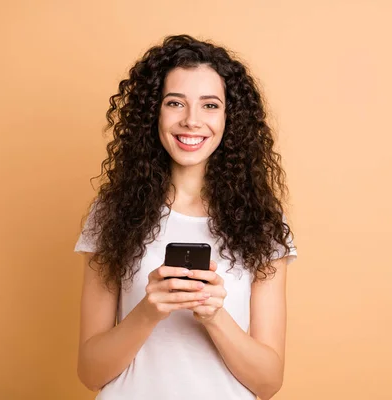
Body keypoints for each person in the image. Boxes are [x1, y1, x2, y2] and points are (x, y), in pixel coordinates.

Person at [74, 34, 298, 400]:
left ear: (231, 117)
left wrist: (214, 316)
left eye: (210, 106)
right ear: (154, 112)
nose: (192, 121)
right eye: (175, 103)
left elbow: (268, 382)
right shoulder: (112, 212)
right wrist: (149, 311)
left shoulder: (262, 221)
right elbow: (90, 372)